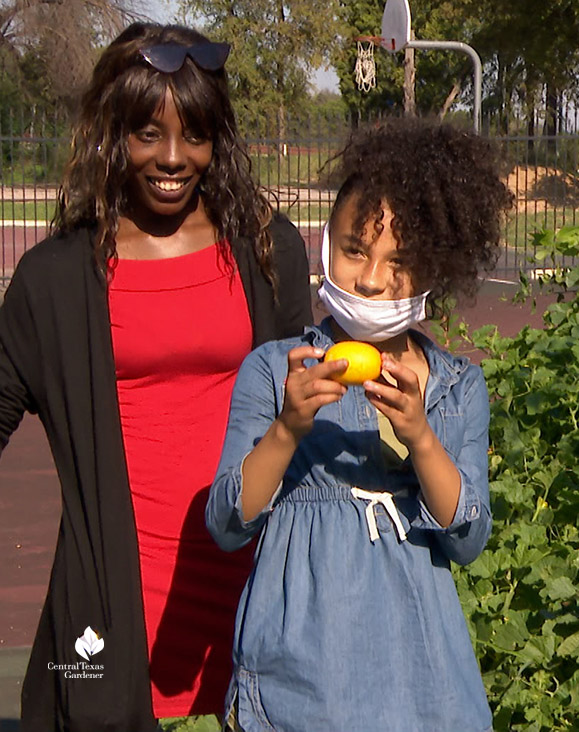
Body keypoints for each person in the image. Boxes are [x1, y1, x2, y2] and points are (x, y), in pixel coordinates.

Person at [0, 22, 312, 732]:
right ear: (113, 135)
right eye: (148, 134)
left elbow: (309, 415)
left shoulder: (267, 251)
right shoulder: (54, 281)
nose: (174, 158)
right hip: (114, 605)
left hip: (255, 594)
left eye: (194, 136)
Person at [207, 117, 514, 731]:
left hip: (421, 679)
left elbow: (468, 538)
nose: (371, 279)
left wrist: (421, 436)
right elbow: (226, 522)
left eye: (398, 261)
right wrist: (289, 427)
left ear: (434, 270)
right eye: (354, 250)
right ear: (326, 245)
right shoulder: (275, 371)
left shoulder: (456, 387)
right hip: (302, 678)